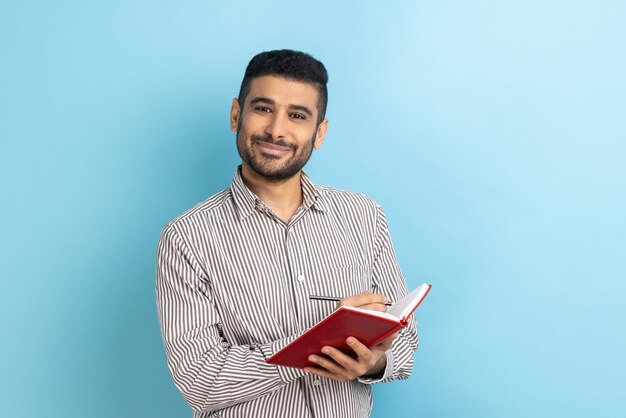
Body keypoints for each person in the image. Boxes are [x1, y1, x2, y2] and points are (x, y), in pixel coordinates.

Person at [156, 49, 419, 418]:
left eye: (298, 115)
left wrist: (372, 363)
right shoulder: (186, 237)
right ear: (237, 115)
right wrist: (315, 344)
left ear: (319, 132)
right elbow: (200, 380)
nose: (277, 130)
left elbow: (404, 343)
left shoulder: (364, 217)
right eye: (263, 109)